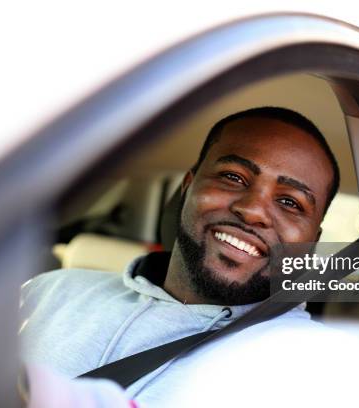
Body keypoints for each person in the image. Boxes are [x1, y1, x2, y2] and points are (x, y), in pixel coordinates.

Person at [19, 106, 340, 405]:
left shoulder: (324, 368)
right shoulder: (51, 291)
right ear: (188, 186)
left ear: (312, 242)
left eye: (291, 202)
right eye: (233, 177)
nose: (253, 210)